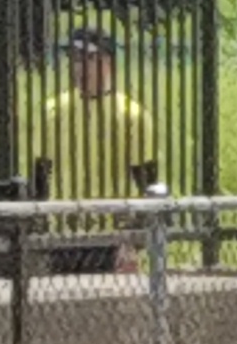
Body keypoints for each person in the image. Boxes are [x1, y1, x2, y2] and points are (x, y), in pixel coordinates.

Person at [28, 26, 160, 276]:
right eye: (75, 59)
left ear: (108, 62)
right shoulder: (53, 111)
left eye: (89, 59)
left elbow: (147, 184)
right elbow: (40, 179)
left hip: (110, 237)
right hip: (63, 234)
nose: (79, 68)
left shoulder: (131, 115)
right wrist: (40, 232)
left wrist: (132, 242)